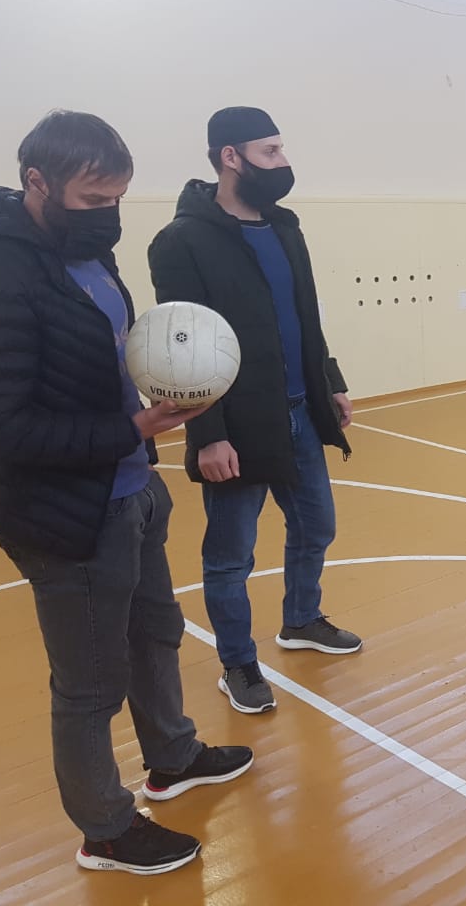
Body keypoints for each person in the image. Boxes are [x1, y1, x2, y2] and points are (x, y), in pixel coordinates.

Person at [0, 110, 252, 875]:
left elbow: (100, 357)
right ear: (37, 182)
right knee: (90, 683)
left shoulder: (82, 249)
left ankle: (173, 758)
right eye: (94, 200)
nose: (109, 214)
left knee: (156, 631)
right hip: (63, 512)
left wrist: (155, 401)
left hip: (129, 486)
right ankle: (107, 830)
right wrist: (133, 427)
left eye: (118, 198)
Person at [147, 107, 359, 715]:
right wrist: (207, 435)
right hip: (236, 425)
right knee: (230, 556)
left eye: (281, 149)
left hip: (301, 410)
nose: (283, 162)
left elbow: (306, 316)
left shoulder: (285, 227)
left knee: (316, 527)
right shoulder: (181, 241)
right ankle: (238, 663)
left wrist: (329, 381)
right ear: (230, 157)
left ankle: (301, 620)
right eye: (270, 151)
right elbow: (183, 349)